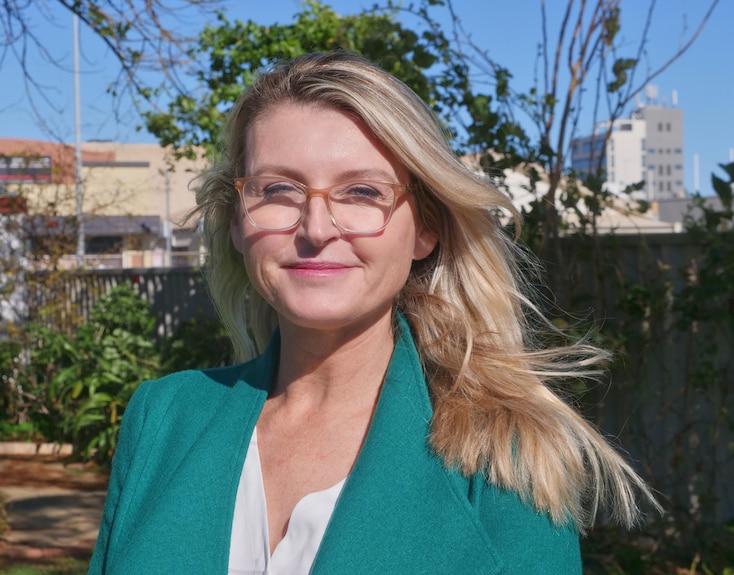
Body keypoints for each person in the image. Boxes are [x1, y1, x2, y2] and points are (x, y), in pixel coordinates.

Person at [88, 51, 657, 574]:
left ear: (425, 228)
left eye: (362, 193)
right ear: (238, 221)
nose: (315, 228)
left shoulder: (504, 454)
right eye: (279, 189)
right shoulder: (163, 419)